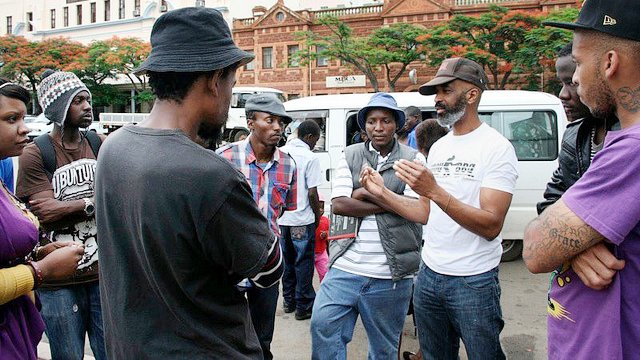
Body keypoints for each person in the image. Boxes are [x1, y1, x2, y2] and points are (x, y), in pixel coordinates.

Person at [95, 8, 282, 359]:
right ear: (214, 80)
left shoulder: (113, 148)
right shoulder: (211, 176)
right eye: (231, 84)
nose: (229, 99)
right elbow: (269, 269)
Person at [361, 58, 518, 359]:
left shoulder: (497, 148)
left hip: (473, 281)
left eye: (446, 90)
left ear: (472, 95)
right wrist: (382, 194)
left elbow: (490, 226)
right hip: (430, 276)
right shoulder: (441, 147)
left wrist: (433, 190)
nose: (438, 99)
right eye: (436, 92)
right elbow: (425, 213)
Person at [524, 1, 640, 358]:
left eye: (577, 62)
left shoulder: (631, 151)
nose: (573, 79)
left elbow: (535, 249)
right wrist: (579, 244)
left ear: (609, 63)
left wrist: (563, 242)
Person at [310, 92, 424, 359]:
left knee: (383, 349)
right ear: (365, 125)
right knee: (322, 327)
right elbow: (339, 204)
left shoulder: (413, 159)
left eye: (385, 120)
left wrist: (364, 193)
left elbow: (417, 210)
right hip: (344, 268)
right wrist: (393, 202)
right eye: (372, 121)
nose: (379, 127)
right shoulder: (350, 155)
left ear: (397, 123)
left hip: (391, 275)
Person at [15, 70, 106, 360]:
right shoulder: (37, 152)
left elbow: (117, 196)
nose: (87, 107)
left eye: (88, 100)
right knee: (67, 354)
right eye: (78, 101)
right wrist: (93, 203)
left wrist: (71, 206)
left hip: (102, 275)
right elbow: (46, 212)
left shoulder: (98, 143)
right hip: (58, 281)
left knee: (111, 352)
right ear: (59, 108)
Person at [0, 79, 84, 359]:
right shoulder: (38, 154)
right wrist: (40, 271)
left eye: (23, 117)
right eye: (11, 119)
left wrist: (35, 254)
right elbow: (44, 209)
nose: (24, 128)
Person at [217, 93, 297, 359]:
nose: (278, 127)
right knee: (226, 336)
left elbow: (283, 210)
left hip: (269, 265)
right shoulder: (224, 160)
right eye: (270, 120)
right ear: (251, 122)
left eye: (281, 122)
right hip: (229, 265)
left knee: (263, 340)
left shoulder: (288, 164)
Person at [536, 41, 613, 214]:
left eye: (572, 83)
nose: (562, 94)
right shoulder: (573, 134)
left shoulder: (629, 133)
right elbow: (553, 199)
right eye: (562, 84)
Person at [401, 118, 448, 360]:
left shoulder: (422, 171)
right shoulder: (448, 166)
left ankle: (423, 352)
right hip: (443, 248)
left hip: (426, 246)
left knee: (424, 304)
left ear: (419, 145)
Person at [278, 120, 323, 321]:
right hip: (302, 220)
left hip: (282, 220)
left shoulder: (280, 152)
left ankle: (289, 301)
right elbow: (312, 193)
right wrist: (317, 215)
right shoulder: (310, 157)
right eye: (316, 140)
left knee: (287, 261)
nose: (315, 144)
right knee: (303, 262)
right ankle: (303, 305)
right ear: (309, 137)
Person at [314, 195, 330, 283]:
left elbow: (330, 231)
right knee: (306, 275)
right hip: (309, 252)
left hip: (321, 253)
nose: (320, 210)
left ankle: (324, 290)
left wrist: (326, 234)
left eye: (322, 207)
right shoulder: (310, 220)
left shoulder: (326, 220)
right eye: (318, 207)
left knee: (325, 274)